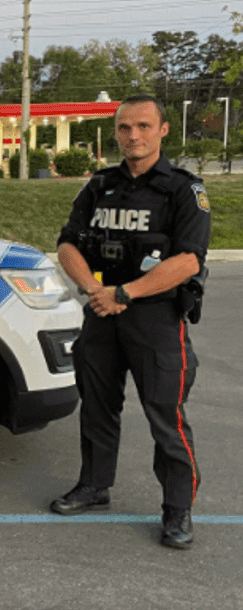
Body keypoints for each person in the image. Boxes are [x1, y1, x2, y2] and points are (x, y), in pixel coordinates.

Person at [50, 94, 210, 550]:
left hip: (156, 318)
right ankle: (94, 486)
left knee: (166, 416)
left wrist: (126, 293)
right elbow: (67, 245)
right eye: (124, 127)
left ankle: (177, 510)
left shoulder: (183, 188)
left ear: (162, 130)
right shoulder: (99, 185)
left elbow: (187, 262)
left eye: (143, 126)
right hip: (101, 313)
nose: (133, 136)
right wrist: (94, 291)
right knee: (98, 406)